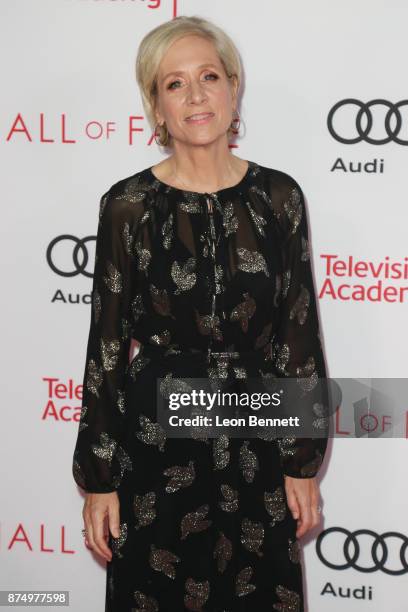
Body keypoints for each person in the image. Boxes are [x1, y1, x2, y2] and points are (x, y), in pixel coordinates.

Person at [72, 14, 329, 612]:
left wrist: (300, 459)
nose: (195, 95)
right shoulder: (128, 207)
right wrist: (100, 476)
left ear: (233, 88)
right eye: (174, 83)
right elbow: (107, 346)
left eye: (209, 75)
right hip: (156, 446)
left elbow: (297, 332)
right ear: (156, 107)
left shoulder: (279, 198)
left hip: (258, 439)